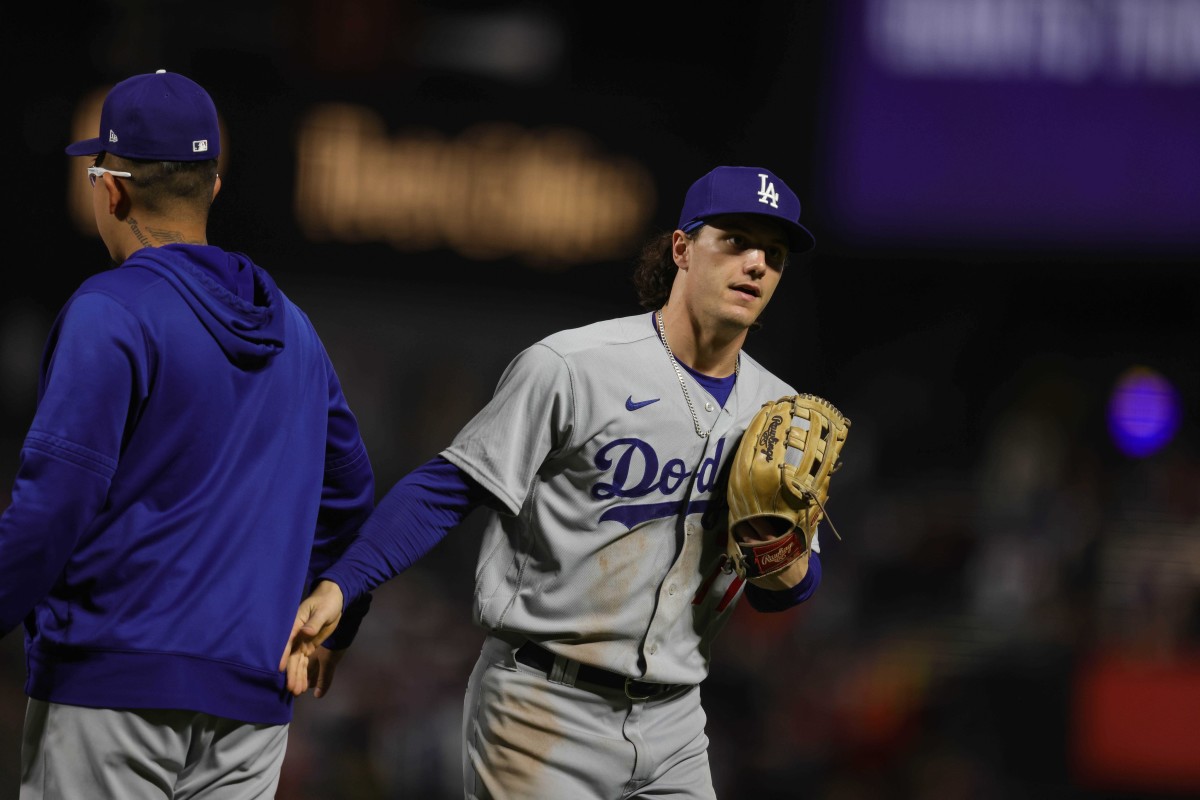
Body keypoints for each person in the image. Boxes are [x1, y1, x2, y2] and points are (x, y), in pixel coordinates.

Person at [282, 165, 825, 799]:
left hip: (677, 721)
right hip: (543, 704)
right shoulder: (573, 366)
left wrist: (780, 553)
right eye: (735, 240)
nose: (757, 263)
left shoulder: (781, 413)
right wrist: (345, 583)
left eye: (775, 254)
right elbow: (449, 488)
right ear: (682, 249)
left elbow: (783, 595)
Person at [0, 69, 375, 799]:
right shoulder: (293, 329)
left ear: (110, 189)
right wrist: (335, 620)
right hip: (252, 705)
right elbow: (351, 492)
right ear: (213, 187)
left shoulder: (111, 310)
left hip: (113, 681)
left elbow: (53, 507)